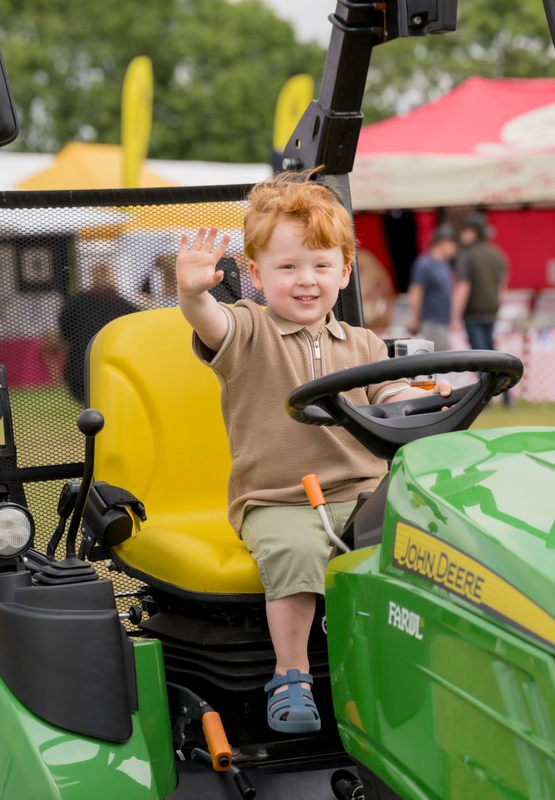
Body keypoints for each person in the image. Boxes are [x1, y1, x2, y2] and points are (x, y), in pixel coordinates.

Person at [175, 171, 451, 734]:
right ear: (255, 275)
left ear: (344, 271)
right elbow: (211, 321)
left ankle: (409, 664)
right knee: (297, 555)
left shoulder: (364, 344)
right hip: (282, 497)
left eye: (321, 266)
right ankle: (292, 673)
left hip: (365, 491)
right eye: (288, 267)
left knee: (430, 542)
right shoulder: (247, 332)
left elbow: (388, 392)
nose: (307, 280)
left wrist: (420, 394)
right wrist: (192, 293)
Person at [451, 211, 511, 406]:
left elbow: (463, 287)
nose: (462, 235)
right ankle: (507, 397)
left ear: (473, 232)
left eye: (465, 230)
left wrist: (454, 316)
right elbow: (503, 282)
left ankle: (485, 399)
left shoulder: (467, 255)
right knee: (494, 354)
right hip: (492, 311)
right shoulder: (497, 253)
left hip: (473, 313)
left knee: (481, 358)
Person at [58, 263, 138, 404]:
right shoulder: (122, 305)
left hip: (83, 363)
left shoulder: (76, 303)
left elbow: (65, 329)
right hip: (103, 361)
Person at [406, 224, 458, 351]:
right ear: (443, 242)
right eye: (453, 244)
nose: (455, 248)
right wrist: (415, 318)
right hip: (431, 322)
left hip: (443, 322)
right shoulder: (424, 264)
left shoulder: (445, 265)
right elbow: (416, 291)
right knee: (436, 362)